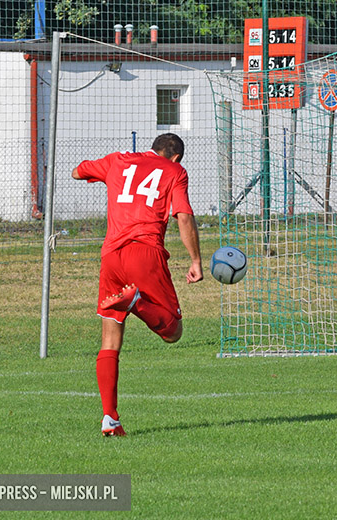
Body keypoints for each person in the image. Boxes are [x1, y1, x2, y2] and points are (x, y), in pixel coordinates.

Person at [72, 133, 203, 435]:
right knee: (173, 332)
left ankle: (110, 418)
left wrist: (105, 172)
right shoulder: (175, 172)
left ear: (152, 149)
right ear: (177, 157)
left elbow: (77, 171)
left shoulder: (118, 161)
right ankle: (136, 302)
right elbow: (183, 216)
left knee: (110, 340)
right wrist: (195, 260)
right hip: (145, 253)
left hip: (111, 256)